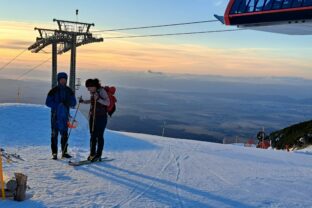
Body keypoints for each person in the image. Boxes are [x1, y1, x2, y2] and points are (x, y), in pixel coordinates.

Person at [46, 72, 77, 160]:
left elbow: (74, 102)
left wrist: (68, 102)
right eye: (61, 79)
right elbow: (47, 102)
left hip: (64, 116)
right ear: (58, 80)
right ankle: (54, 153)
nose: (63, 81)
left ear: (66, 80)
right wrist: (58, 104)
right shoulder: (53, 90)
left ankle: (64, 152)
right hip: (55, 116)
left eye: (64, 79)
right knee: (54, 134)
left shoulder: (69, 91)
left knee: (64, 135)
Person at [79, 79, 110, 162]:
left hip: (101, 117)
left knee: (99, 136)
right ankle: (92, 154)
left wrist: (98, 99)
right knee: (92, 135)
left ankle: (98, 155)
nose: (88, 89)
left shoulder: (102, 91)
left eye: (89, 87)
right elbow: (92, 101)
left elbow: (107, 103)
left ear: (94, 86)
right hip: (93, 117)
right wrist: (83, 101)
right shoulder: (93, 92)